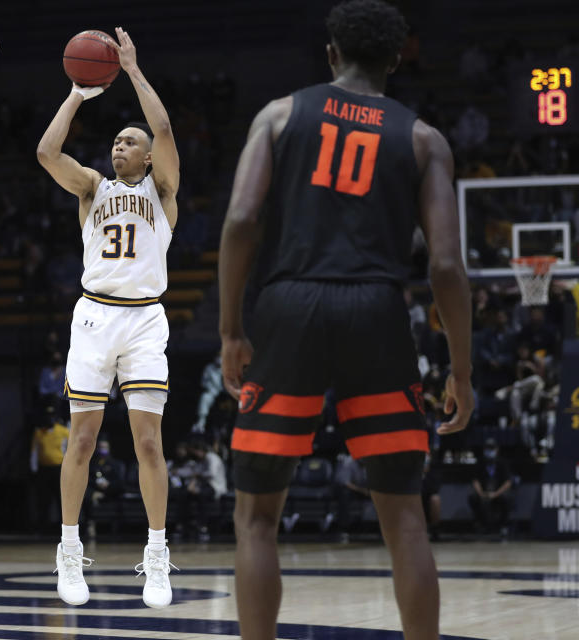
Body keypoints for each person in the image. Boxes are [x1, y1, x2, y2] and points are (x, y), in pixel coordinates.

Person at [217, 2, 473, 639]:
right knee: (405, 518)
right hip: (378, 311)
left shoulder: (278, 117)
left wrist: (229, 329)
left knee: (255, 518)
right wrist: (461, 371)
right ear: (395, 59)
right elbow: (445, 264)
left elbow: (242, 221)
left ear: (331, 54)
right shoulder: (422, 139)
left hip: (289, 308)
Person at [37, 27, 180, 609]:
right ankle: (69, 550)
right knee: (84, 440)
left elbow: (165, 128)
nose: (118, 147)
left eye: (129, 142)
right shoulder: (91, 188)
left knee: (149, 443)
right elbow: (47, 153)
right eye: (115, 141)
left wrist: (133, 69)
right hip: (95, 316)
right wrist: (77, 92)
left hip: (145, 319)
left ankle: (156, 555)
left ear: (146, 156)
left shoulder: (163, 191)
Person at [30, 407, 69, 533]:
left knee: (60, 499)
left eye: (52, 416)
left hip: (59, 469)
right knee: (43, 499)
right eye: (47, 416)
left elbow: (68, 450)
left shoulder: (63, 431)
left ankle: (63, 528)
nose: (50, 418)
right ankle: (42, 527)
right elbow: (34, 452)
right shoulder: (39, 432)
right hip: (44, 470)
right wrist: (34, 470)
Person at [468, 437, 513, 536]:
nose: (490, 451)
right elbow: (475, 480)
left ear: (497, 449)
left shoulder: (502, 462)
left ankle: (503, 525)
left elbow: (508, 482)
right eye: (488, 448)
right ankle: (480, 524)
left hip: (498, 491)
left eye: (492, 448)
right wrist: (481, 493)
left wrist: (495, 494)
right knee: (473, 497)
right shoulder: (480, 462)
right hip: (484, 491)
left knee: (506, 498)